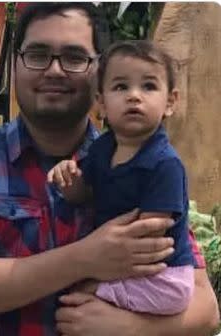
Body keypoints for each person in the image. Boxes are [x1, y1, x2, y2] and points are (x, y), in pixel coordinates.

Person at [0, 3, 219, 336]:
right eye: (37, 54)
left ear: (99, 76)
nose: (54, 70)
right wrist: (86, 258)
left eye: (75, 57)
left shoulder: (141, 161)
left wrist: (132, 327)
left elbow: (204, 307)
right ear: (14, 66)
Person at [47, 40, 194, 315]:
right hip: (118, 264)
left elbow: (152, 232)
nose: (134, 96)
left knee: (80, 295)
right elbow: (83, 194)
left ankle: (103, 294)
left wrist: (98, 277)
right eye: (120, 87)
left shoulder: (164, 164)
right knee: (75, 304)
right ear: (101, 103)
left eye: (148, 86)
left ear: (170, 102)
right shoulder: (103, 148)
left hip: (162, 275)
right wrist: (68, 179)